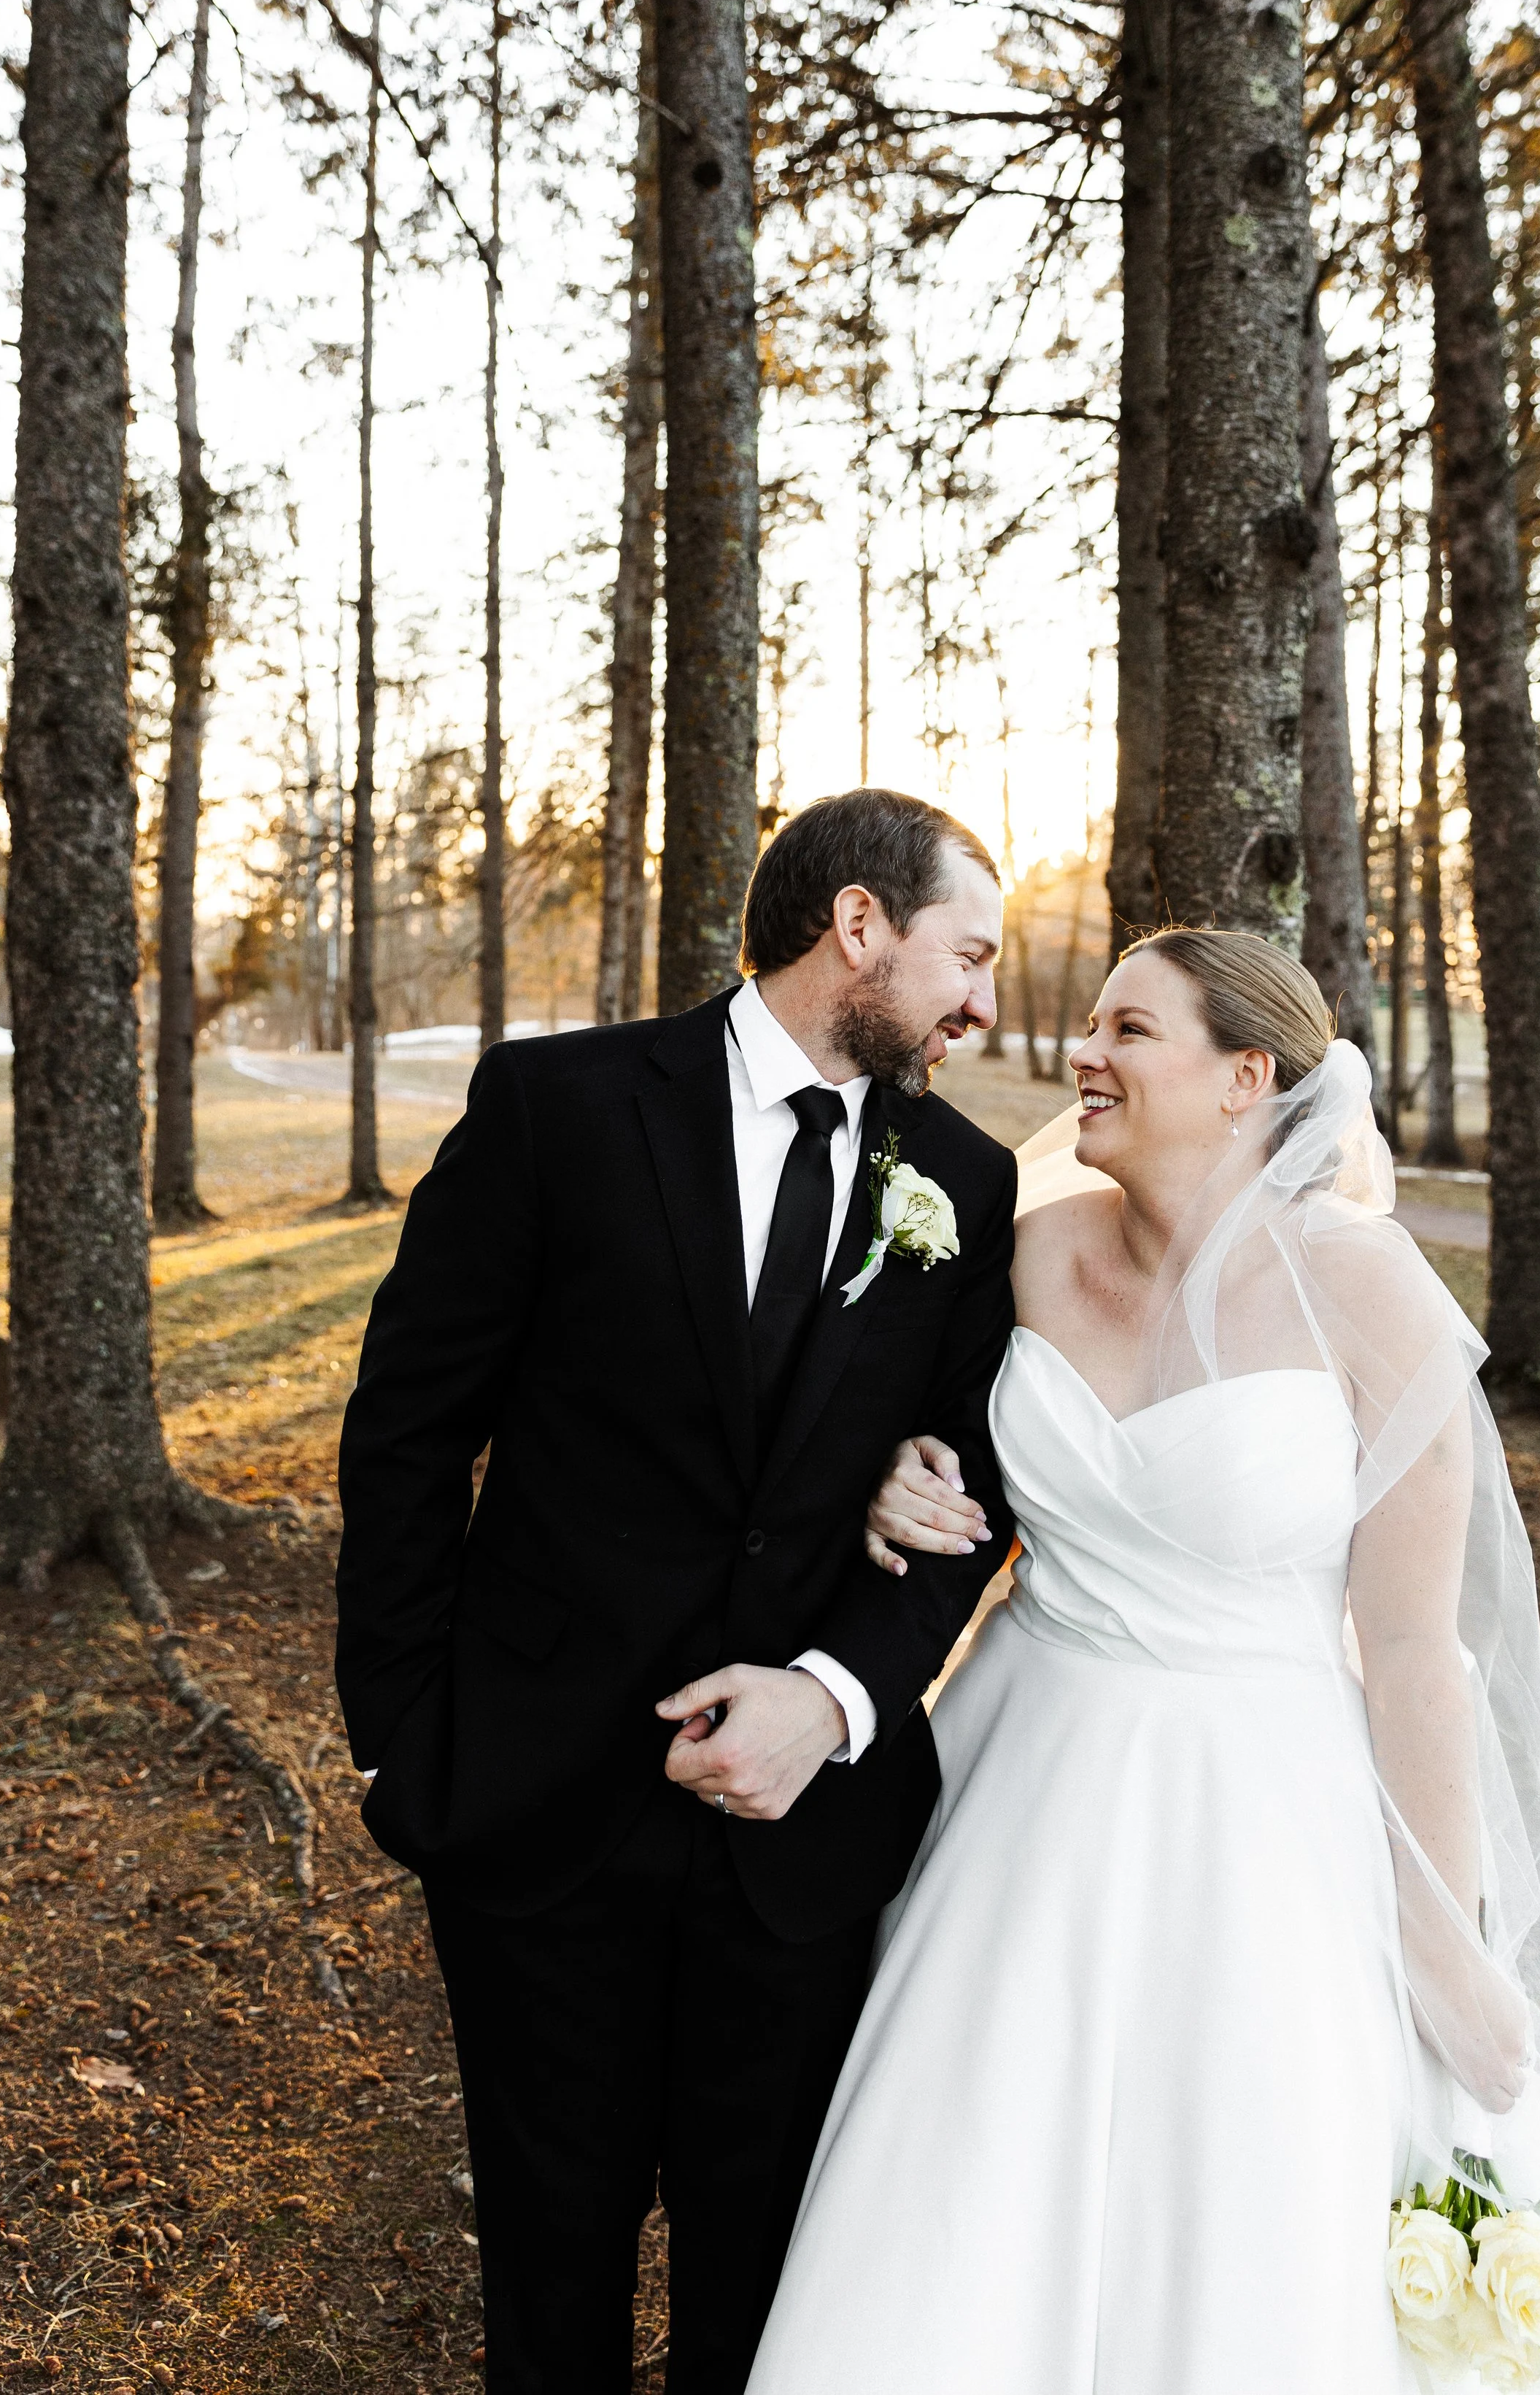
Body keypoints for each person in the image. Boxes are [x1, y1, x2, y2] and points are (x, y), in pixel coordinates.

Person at [746, 928, 1540, 2394]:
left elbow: (1414, 1652)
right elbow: (922, 1447)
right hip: (1018, 1772)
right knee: (970, 2150)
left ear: (1244, 1079)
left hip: (1262, 1805)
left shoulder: (1370, 1295)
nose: (1082, 1053)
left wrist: (1446, 1936)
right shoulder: (1021, 1251)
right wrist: (898, 1475)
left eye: (1126, 1031)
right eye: (1090, 1025)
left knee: (1237, 2182)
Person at [333, 788, 1019, 2394]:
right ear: (856, 927)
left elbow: (971, 1502)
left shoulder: (966, 1188)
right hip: (532, 1794)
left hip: (804, 1836)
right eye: (964, 957)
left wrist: (837, 1700)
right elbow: (409, 1430)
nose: (980, 1005)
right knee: (547, 2267)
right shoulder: (556, 1108)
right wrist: (401, 1739)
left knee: (767, 2284)